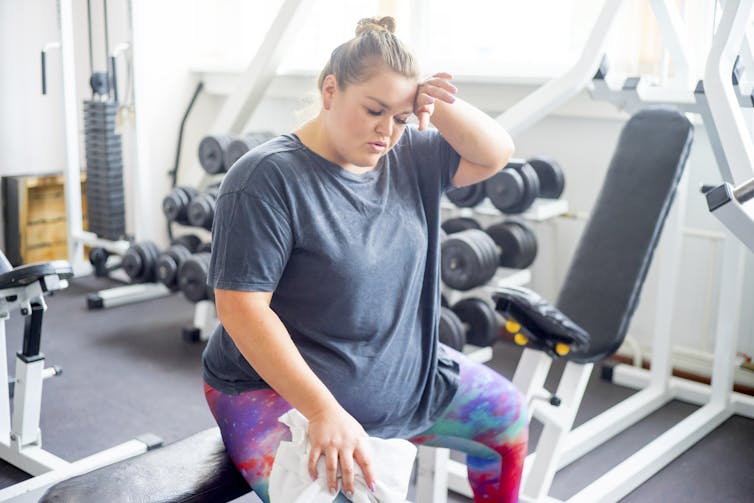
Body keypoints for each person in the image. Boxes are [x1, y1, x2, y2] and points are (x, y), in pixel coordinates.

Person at [202, 16, 527, 503]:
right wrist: (322, 411)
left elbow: (495, 153)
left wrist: (434, 107)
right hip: (278, 395)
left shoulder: (412, 155)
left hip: (410, 381)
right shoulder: (265, 179)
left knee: (509, 425)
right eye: (375, 110)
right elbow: (242, 310)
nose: (387, 131)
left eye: (399, 117)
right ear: (330, 91)